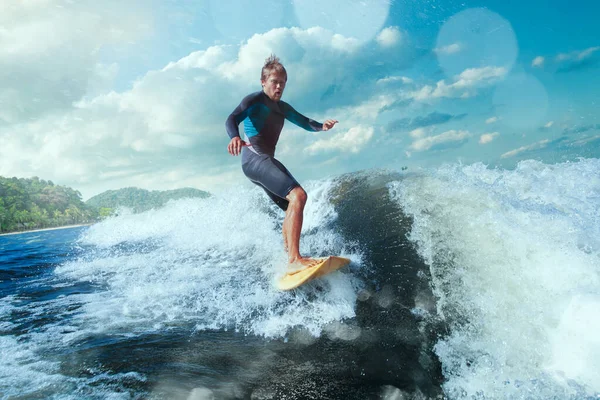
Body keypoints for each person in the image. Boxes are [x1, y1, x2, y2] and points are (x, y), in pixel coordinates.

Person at [225, 55, 338, 274]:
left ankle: (289, 257)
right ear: (263, 82)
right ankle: (295, 259)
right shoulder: (254, 100)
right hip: (254, 158)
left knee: (290, 206)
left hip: (261, 162)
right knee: (299, 196)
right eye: (275, 81)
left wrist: (322, 126)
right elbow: (232, 118)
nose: (279, 86)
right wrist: (233, 136)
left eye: (283, 82)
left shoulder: (283, 108)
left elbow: (305, 122)